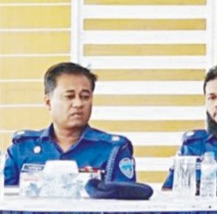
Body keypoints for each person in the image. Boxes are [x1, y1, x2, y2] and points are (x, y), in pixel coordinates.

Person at [3, 62, 136, 185]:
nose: (78, 104)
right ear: (48, 102)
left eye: (85, 97)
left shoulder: (113, 150)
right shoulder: (22, 149)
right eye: (69, 96)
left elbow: (123, 201)